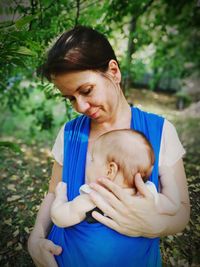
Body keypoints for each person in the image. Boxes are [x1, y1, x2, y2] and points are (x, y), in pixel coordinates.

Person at [28, 25, 190, 267]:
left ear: (113, 71)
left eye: (86, 90)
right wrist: (36, 237)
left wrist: (156, 226)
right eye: (71, 98)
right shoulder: (70, 134)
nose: (80, 106)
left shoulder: (160, 131)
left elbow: (181, 209)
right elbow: (54, 193)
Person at [51, 129, 180, 228]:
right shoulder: (148, 194)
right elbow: (173, 205)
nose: (88, 164)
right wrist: (166, 175)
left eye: (92, 160)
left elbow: (60, 218)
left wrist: (61, 196)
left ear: (110, 170)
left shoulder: (96, 197)